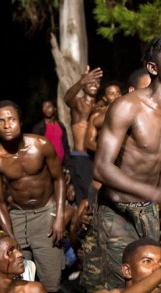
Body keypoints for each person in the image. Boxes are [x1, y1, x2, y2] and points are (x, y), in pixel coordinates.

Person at [83, 33, 161, 293]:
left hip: (148, 211)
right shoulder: (127, 107)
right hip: (116, 211)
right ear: (153, 67)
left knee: (149, 286)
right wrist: (160, 195)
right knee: (116, 291)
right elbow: (101, 167)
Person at [0, 100, 66, 293]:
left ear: (20, 121)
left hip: (46, 213)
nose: (7, 125)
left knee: (52, 281)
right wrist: (9, 236)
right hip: (17, 216)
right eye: (1, 121)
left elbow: (59, 179)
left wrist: (60, 216)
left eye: (11, 119)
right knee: (17, 276)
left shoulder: (41, 145)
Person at [65, 66, 103, 203]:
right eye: (90, 82)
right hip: (81, 158)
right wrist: (81, 81)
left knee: (98, 198)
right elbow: (67, 98)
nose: (94, 84)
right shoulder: (78, 104)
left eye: (97, 82)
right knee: (86, 200)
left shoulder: (100, 105)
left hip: (96, 158)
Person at [85, 83, 122, 153]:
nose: (116, 96)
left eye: (118, 93)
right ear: (105, 98)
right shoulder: (97, 115)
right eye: (112, 94)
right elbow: (89, 143)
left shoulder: (128, 111)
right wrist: (107, 153)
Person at [32, 100, 71, 167]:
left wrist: (68, 167)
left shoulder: (60, 126)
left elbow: (65, 146)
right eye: (44, 107)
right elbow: (35, 149)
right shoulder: (38, 128)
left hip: (61, 165)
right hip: (45, 166)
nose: (46, 109)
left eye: (49, 106)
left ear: (55, 108)